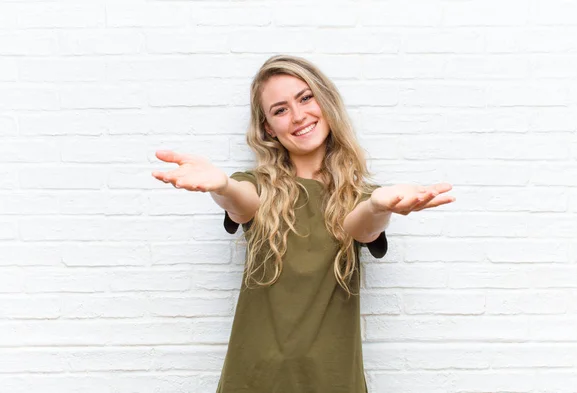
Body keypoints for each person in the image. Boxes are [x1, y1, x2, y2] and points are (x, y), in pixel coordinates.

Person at [152, 54, 455, 393]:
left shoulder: (358, 196)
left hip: (333, 380)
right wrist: (222, 186)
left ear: (324, 101)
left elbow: (361, 225)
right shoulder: (256, 185)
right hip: (253, 379)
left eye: (305, 98)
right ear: (268, 127)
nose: (298, 116)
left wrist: (378, 204)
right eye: (280, 110)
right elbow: (242, 203)